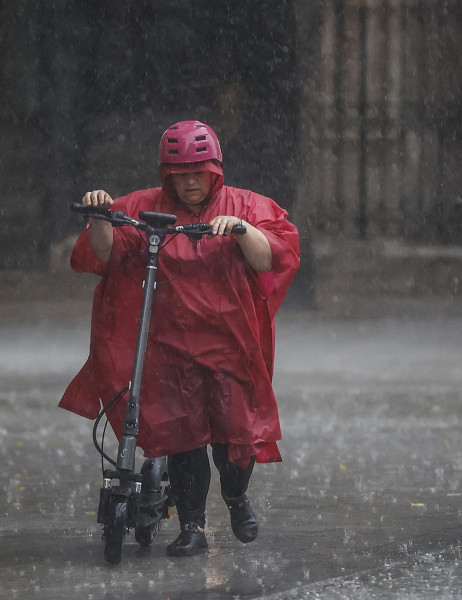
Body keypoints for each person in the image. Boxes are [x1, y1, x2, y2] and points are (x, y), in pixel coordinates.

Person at [59, 120, 300, 556]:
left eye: (199, 172)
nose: (190, 183)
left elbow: (272, 259)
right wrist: (100, 215)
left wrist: (243, 230)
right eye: (181, 174)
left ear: (216, 170)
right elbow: (106, 251)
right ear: (166, 174)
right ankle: (193, 527)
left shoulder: (247, 205)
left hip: (231, 346)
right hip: (172, 349)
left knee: (233, 439)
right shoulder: (146, 207)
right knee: (185, 442)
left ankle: (235, 497)